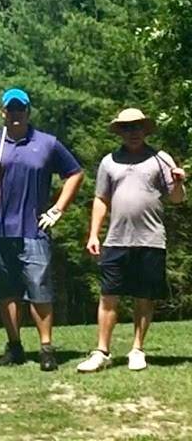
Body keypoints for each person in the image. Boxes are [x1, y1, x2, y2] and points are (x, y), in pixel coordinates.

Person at [0, 88, 83, 371]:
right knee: (6, 292)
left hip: (34, 229)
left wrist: (58, 209)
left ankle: (46, 349)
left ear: (28, 112)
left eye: (21, 109)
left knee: (39, 291)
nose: (16, 114)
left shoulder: (47, 143)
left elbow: (75, 173)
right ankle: (15, 346)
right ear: (3, 112)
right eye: (11, 109)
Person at [77, 108, 186, 373]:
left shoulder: (160, 159)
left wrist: (179, 182)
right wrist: (94, 234)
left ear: (145, 129)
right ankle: (102, 351)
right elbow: (101, 199)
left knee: (144, 297)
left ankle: (137, 349)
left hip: (151, 239)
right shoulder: (109, 162)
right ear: (120, 132)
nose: (133, 132)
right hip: (116, 240)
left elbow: (177, 199)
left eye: (137, 127)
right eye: (127, 128)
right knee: (108, 296)